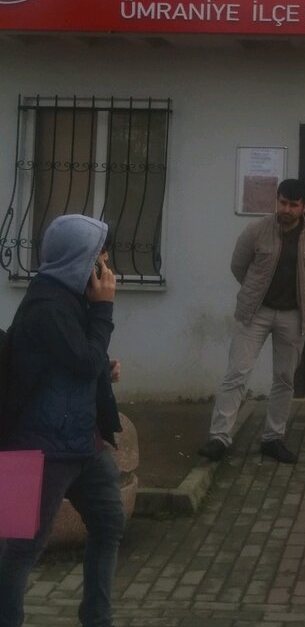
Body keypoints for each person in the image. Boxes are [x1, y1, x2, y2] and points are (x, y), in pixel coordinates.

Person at [0, 215, 124, 627]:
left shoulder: (70, 298)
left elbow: (75, 360)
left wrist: (103, 366)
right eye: (100, 254)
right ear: (79, 258)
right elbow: (81, 360)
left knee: (109, 524)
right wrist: (104, 310)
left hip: (82, 443)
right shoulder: (48, 304)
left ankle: (97, 618)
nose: (105, 264)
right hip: (35, 449)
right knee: (19, 549)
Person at [198, 179, 305, 465]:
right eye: (283, 202)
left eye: (293, 205)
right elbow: (238, 266)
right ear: (277, 201)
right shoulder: (256, 230)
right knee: (237, 373)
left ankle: (272, 439)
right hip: (255, 312)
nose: (286, 209)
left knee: (284, 378)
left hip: (293, 316)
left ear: (304, 207)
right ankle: (219, 438)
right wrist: (254, 290)